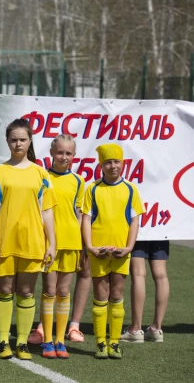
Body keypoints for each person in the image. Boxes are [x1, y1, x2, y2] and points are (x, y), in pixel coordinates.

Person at [0, 118, 57, 361]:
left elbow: (47, 211)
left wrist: (52, 243)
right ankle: (4, 340)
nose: (18, 143)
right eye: (13, 139)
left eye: (22, 139)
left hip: (32, 241)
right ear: (7, 141)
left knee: (26, 292)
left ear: (29, 141)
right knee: (4, 289)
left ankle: (23, 342)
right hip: (3, 240)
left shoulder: (41, 173)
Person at [82, 143, 144, 359]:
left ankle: (114, 343)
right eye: (108, 162)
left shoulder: (130, 189)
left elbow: (135, 220)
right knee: (101, 294)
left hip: (121, 251)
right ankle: (100, 343)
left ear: (123, 163)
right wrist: (90, 247)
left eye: (116, 161)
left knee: (117, 294)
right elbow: (86, 219)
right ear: (101, 165)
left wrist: (128, 247)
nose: (112, 166)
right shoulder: (93, 188)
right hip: (98, 251)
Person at [35, 134, 84, 359]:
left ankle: (61, 341)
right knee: (49, 290)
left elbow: (80, 215)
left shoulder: (79, 181)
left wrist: (82, 245)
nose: (64, 157)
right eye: (60, 152)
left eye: (68, 153)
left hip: (71, 242)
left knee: (64, 292)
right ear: (52, 153)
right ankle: (46, 341)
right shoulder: (42, 176)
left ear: (74, 156)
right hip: (49, 243)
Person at [120, 240, 170, 343]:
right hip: (159, 228)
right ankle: (156, 329)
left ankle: (136, 329)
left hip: (140, 229)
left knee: (138, 273)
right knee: (161, 275)